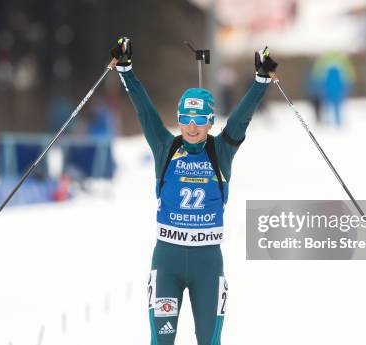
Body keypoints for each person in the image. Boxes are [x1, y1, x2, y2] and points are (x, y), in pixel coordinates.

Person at [110, 36, 276, 344]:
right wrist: (126, 71)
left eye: (200, 119)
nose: (192, 126)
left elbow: (240, 120)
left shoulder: (220, 151)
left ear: (211, 121)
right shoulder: (165, 146)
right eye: (186, 117)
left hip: (207, 264)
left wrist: (260, 82)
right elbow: (145, 112)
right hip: (167, 260)